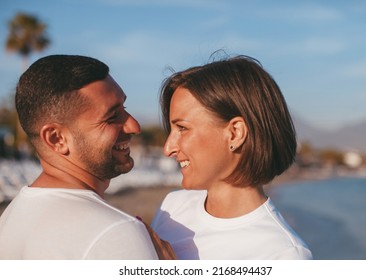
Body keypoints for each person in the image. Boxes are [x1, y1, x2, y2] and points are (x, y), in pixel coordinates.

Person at [0, 54, 174, 260]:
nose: (134, 126)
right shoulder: (114, 233)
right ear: (57, 139)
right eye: (112, 117)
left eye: (124, 109)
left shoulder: (12, 217)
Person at [151, 55, 313, 260]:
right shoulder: (173, 208)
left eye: (182, 128)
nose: (168, 148)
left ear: (235, 133)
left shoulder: (283, 255)